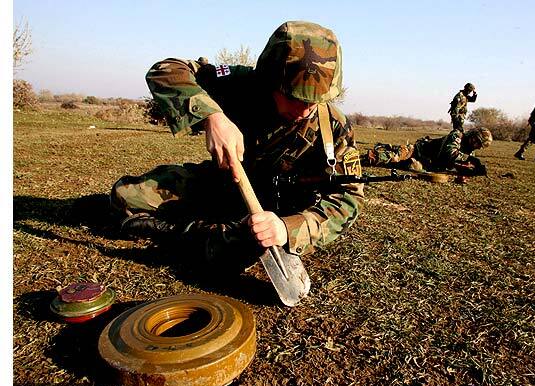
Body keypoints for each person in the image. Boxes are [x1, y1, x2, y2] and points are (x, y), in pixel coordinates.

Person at [109, 21, 364, 268]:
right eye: (293, 97)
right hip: (225, 185)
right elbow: (166, 70)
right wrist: (212, 116)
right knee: (126, 194)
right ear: (269, 80)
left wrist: (288, 229)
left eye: (316, 100)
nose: (305, 109)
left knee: (239, 248)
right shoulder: (240, 83)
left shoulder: (334, 128)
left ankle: (192, 236)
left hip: (276, 212)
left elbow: (347, 198)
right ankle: (196, 232)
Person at [363, 127, 493, 176]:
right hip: (417, 151)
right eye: (476, 140)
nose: (475, 145)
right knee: (393, 157)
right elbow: (449, 154)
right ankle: (362, 159)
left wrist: (470, 170)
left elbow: (457, 167)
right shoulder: (457, 135)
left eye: (479, 144)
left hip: (426, 165)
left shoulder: (469, 153)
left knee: (406, 166)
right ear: (472, 134)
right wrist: (468, 162)